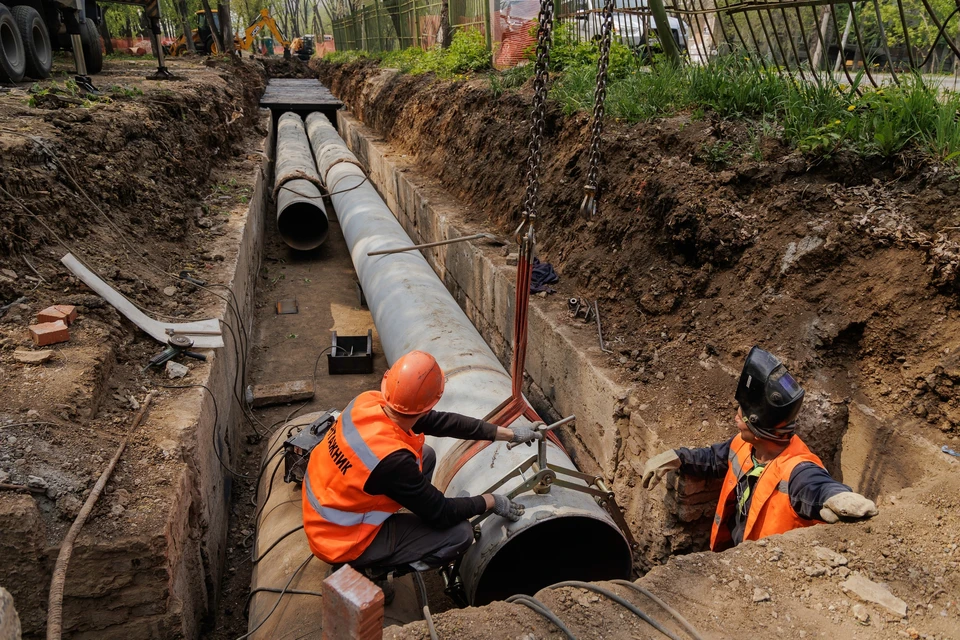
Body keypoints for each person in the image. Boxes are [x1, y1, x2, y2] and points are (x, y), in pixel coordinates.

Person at [302, 350, 538, 574]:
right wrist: (490, 500)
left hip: (327, 507)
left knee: (426, 455)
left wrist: (506, 433)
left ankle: (408, 519)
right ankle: (375, 570)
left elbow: (442, 422)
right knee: (460, 534)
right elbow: (443, 513)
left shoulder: (369, 401)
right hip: (342, 539)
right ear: (431, 402)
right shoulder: (392, 460)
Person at [640, 346, 877, 551]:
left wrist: (835, 495)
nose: (736, 418)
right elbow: (714, 458)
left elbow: (815, 487)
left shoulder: (797, 470)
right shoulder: (745, 445)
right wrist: (678, 457)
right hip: (731, 557)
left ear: (757, 426)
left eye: (742, 415)